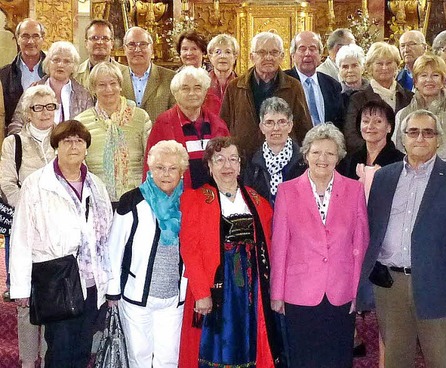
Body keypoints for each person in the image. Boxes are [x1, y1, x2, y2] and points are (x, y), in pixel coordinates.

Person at [357, 109, 446, 368]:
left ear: (438, 139)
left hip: (439, 285)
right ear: (403, 138)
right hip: (390, 285)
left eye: (428, 132)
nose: (420, 138)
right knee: (395, 360)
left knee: (441, 360)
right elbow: (372, 229)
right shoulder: (384, 177)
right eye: (413, 132)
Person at [10, 119, 113, 368]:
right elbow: (22, 237)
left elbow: (107, 236)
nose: (73, 146)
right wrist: (21, 288)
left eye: (79, 141)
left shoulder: (96, 185)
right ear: (56, 146)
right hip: (57, 281)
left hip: (90, 282)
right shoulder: (37, 184)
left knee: (81, 349)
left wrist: (110, 283)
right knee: (60, 350)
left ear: (87, 147)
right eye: (66, 141)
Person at [179, 136, 284, 368]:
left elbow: (272, 246)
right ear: (209, 165)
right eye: (219, 160)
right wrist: (201, 293)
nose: (227, 166)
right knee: (218, 345)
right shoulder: (195, 200)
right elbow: (190, 249)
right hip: (217, 287)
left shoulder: (258, 202)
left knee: (253, 339)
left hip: (252, 287)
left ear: (239, 165)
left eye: (232, 159)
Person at [271, 123, 369, 367]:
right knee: (304, 358)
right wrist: (277, 292)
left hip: (341, 290)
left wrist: (358, 291)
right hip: (299, 292)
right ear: (306, 155)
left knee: (338, 358)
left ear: (339, 157)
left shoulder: (355, 190)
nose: (322, 159)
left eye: (330, 153)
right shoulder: (286, 191)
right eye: (316, 152)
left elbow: (361, 242)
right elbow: (279, 245)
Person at [106, 140, 189, 368]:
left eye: (173, 168)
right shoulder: (131, 201)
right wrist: (113, 291)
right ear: (150, 169)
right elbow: (114, 249)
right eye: (160, 167)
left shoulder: (189, 202)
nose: (166, 174)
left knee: (169, 359)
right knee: (138, 358)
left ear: (181, 172)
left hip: (173, 298)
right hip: (136, 296)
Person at [0, 85, 57, 368]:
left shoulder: (64, 139)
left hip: (57, 232)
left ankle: (47, 358)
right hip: (25, 229)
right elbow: (7, 183)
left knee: (50, 298)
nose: (45, 112)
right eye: (38, 107)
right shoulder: (14, 143)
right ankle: (26, 361)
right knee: (25, 298)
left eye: (50, 106)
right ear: (27, 111)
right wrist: (30, 210)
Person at [220, 31, 312, 158]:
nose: (268, 57)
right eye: (262, 52)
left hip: (284, 159)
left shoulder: (293, 86)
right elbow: (223, 127)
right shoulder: (235, 87)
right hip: (245, 160)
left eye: (274, 52)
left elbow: (304, 127)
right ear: (252, 56)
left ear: (282, 56)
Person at [75, 61, 152, 205]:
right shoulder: (81, 123)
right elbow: (78, 167)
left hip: (137, 199)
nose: (108, 89)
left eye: (113, 83)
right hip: (97, 201)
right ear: (93, 89)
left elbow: (152, 161)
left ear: (120, 85)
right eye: (101, 85)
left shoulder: (141, 118)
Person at [145, 66, 229, 190]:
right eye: (185, 88)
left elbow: (229, 164)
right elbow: (151, 169)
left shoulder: (218, 125)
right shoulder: (163, 124)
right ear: (175, 93)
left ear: (205, 92)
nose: (192, 93)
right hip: (176, 201)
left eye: (197, 88)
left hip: (214, 200)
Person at [394, 54, 446, 166]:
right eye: (423, 75)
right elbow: (399, 148)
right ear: (416, 81)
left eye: (435, 75)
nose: (429, 80)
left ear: (443, 80)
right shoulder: (402, 114)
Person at [10, 41, 93, 134]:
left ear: (74, 66)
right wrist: (24, 145)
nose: (60, 64)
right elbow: (16, 124)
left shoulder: (84, 96)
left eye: (67, 61)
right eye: (56, 60)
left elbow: (90, 129)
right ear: (47, 63)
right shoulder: (32, 91)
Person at [344, 42, 413, 153]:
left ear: (397, 65)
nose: (384, 68)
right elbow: (351, 136)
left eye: (389, 63)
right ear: (370, 67)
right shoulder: (358, 99)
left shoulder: (409, 97)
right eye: (379, 64)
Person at [242, 97, 306, 205]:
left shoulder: (304, 161)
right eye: (269, 122)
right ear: (262, 127)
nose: (276, 128)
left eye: (282, 122)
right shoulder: (251, 162)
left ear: (290, 126)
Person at [285, 31, 344, 128]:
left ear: (320, 55)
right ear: (293, 56)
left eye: (312, 49)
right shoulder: (283, 82)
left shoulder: (332, 85)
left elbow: (339, 123)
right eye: (302, 49)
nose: (307, 53)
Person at [338, 100, 403, 186]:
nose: (370, 126)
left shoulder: (400, 162)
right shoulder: (349, 160)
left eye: (378, 121)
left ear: (389, 127)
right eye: (365, 121)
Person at [0, 19, 46, 135]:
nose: (30, 41)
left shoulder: (53, 73)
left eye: (35, 36)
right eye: (25, 36)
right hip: (14, 139)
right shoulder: (3, 76)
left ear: (43, 39)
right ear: (17, 38)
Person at [120, 27, 176, 122]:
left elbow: (176, 116)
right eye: (131, 45)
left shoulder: (171, 78)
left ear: (152, 49)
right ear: (125, 49)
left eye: (143, 44)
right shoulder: (116, 79)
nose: (137, 49)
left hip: (160, 135)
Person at [76, 19, 123, 89]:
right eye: (94, 38)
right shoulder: (75, 75)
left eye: (105, 38)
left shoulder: (125, 74)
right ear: (86, 43)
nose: (100, 42)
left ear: (112, 44)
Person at [206, 34, 239, 112]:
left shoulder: (243, 84)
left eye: (228, 52)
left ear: (235, 57)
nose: (222, 56)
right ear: (210, 57)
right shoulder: (201, 83)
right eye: (218, 52)